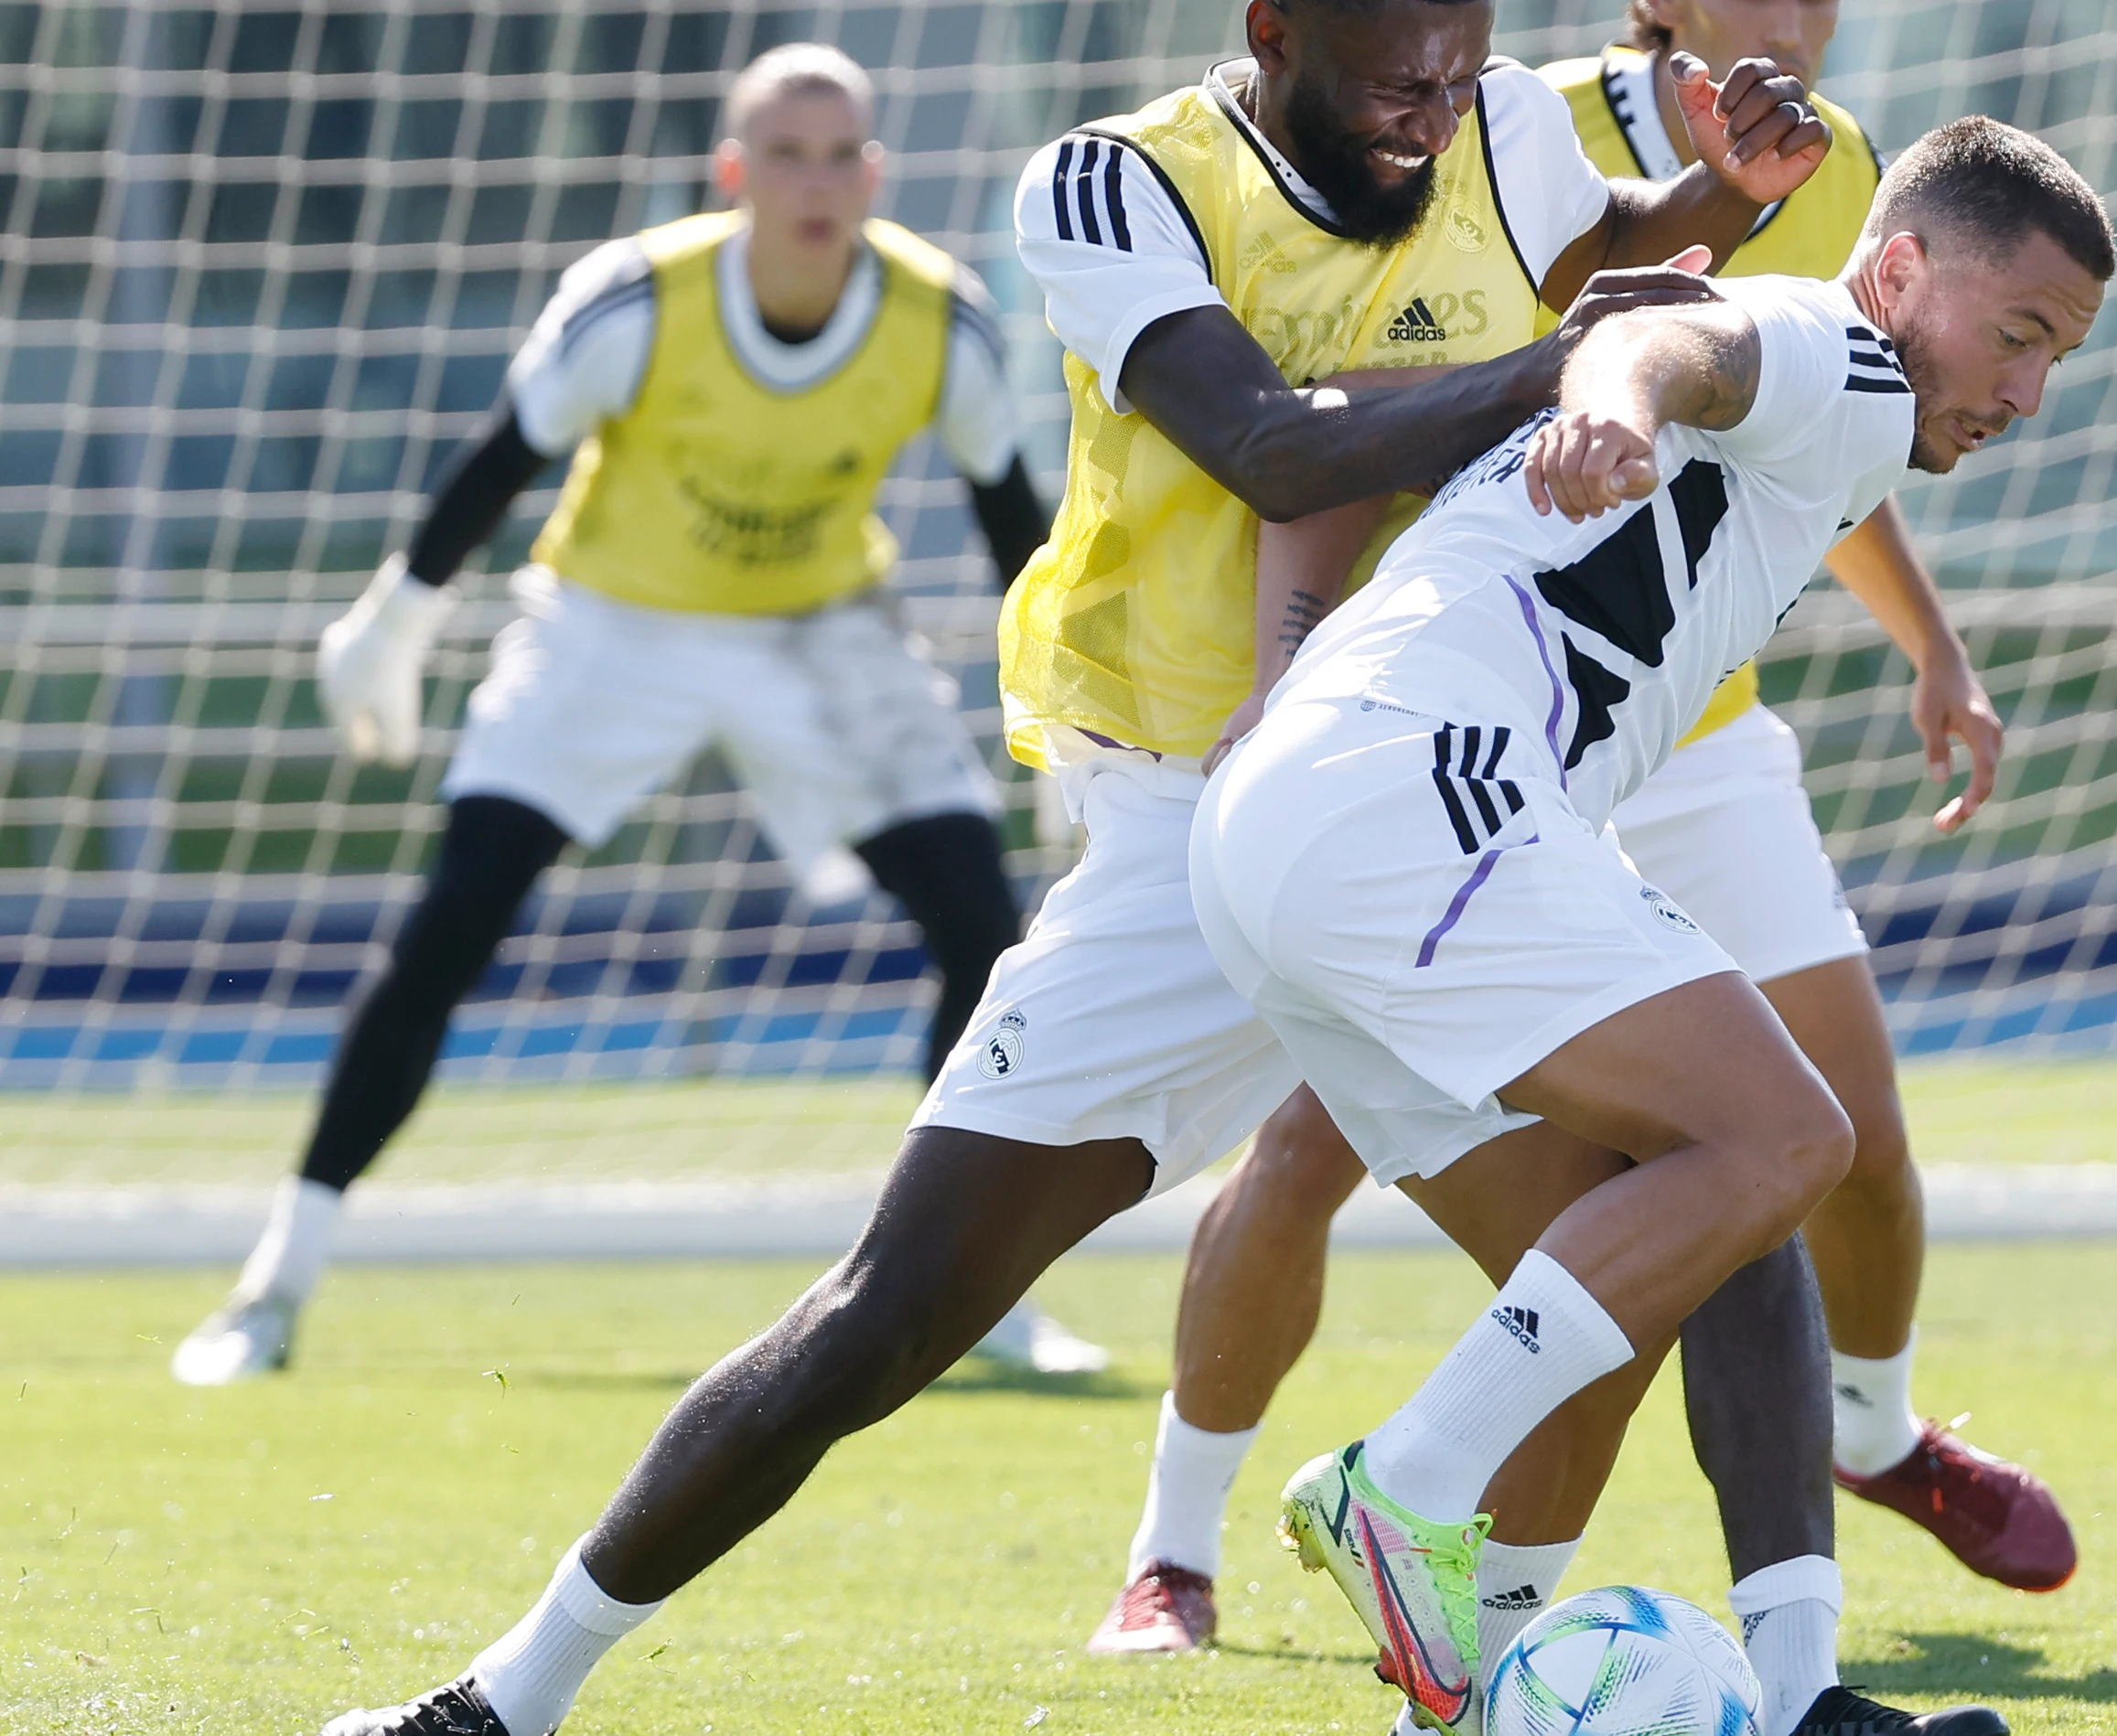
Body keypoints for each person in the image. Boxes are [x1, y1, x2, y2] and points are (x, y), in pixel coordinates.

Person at [313, 0, 1839, 1729]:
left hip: (1439, 796)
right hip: (1200, 813)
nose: (1438, 102)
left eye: (1464, 60)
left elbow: (1600, 264)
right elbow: (1270, 446)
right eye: (1399, 68)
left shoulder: (1505, 123)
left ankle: (1783, 1695)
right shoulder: (1114, 184)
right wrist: (1547, 370)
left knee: (1728, 1178)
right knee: (894, 1313)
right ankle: (505, 1697)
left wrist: (1716, 197)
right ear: (1273, 30)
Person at [1089, 0, 2069, 1676]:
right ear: (1901, 279)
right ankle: (1386, 1487)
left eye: (2062, 356)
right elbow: (1674, 345)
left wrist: (1290, 667)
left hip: (1332, 810)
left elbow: (1430, 394)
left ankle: (1663, 1686)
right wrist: (1606, 386)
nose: (2032, 391)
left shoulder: (1830, 408)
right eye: (2022, 333)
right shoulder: (1824, 341)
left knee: (1672, 1247)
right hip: (1420, 782)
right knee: (1787, 1137)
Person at [169, 43, 1109, 1391]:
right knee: (454, 922)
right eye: (785, 154)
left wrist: (1057, 704)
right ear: (731, 172)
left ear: (876, 174)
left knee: (984, 930)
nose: (816, 182)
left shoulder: (937, 315)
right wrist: (393, 619)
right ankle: (272, 1287)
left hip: (821, 633)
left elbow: (1008, 518)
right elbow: (505, 454)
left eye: (842, 154)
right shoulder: (635, 298)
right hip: (611, 627)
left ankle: (969, 1290)